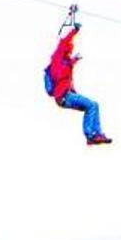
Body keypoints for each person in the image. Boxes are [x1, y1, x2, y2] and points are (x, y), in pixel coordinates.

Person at [44, 12, 111, 145]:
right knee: (92, 105)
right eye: (69, 51)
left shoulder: (65, 63)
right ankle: (91, 134)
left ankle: (94, 135)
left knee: (92, 106)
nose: (70, 52)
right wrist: (75, 30)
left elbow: (67, 68)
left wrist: (74, 60)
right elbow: (63, 43)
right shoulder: (57, 59)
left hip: (64, 97)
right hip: (64, 96)